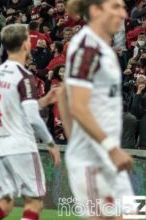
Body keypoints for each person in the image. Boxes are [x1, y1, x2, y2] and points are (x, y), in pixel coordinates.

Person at [0, 24, 61, 220]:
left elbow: (14, 108)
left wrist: (45, 101)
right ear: (25, 45)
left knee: (3, 205)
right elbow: (31, 117)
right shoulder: (24, 76)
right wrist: (50, 143)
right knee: (34, 202)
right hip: (21, 146)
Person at [60, 0, 135, 218]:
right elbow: (77, 104)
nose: (123, 14)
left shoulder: (103, 49)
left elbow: (64, 93)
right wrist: (108, 147)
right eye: (116, 6)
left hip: (108, 158)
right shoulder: (87, 48)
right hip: (93, 160)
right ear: (95, 10)